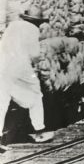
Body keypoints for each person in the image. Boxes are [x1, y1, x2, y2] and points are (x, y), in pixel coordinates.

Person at [0, 12, 55, 149]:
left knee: (2, 101)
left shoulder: (12, 25)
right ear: (37, 21)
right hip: (20, 68)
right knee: (36, 95)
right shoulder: (33, 30)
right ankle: (39, 131)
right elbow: (34, 54)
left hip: (2, 65)